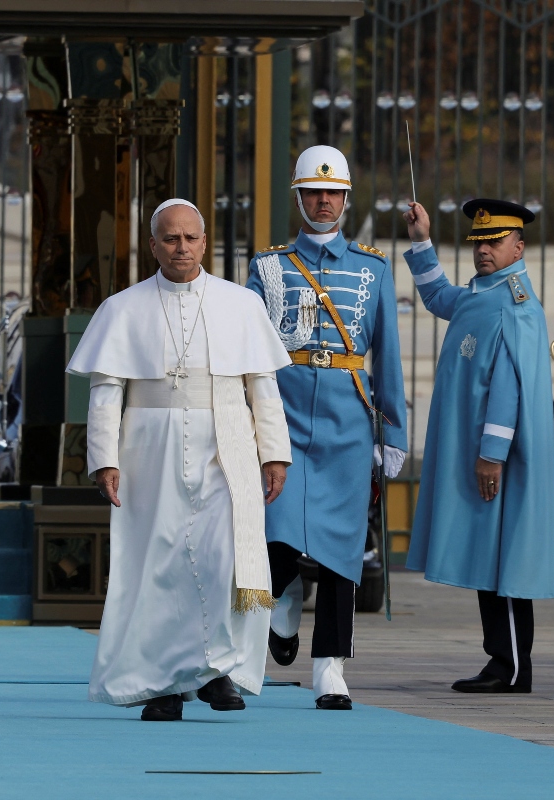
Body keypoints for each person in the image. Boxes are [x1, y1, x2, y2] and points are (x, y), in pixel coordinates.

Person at [67, 199, 292, 722]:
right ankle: (160, 684)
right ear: (152, 245)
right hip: (149, 447)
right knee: (157, 566)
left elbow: (263, 386)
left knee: (222, 561)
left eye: (190, 237)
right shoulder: (123, 308)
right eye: (170, 238)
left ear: (204, 241)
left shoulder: (241, 305)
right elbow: (105, 392)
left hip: (227, 445)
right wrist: (104, 458)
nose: (181, 247)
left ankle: (217, 673)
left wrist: (274, 453)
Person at [245, 145, 407, 711]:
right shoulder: (266, 266)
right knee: (278, 535)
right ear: (298, 196)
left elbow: (388, 356)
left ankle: (331, 666)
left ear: (345, 199)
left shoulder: (373, 267)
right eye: (313, 191)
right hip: (282, 417)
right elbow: (248, 353)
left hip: (347, 422)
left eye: (332, 192)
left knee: (341, 550)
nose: (322, 201)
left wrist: (395, 434)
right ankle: (284, 600)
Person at [400, 198, 554, 694]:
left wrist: (492, 454)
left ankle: (513, 666)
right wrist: (422, 240)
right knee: (491, 560)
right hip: (481, 455)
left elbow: (510, 386)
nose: (484, 250)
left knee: (505, 560)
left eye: (494, 242)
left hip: (498, 459)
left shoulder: (514, 304)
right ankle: (500, 660)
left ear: (519, 246)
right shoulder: (482, 294)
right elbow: (439, 298)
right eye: (478, 242)